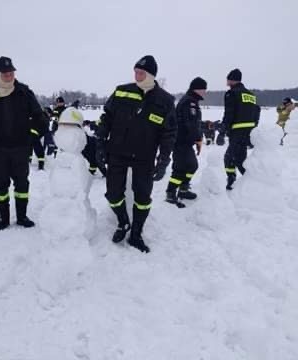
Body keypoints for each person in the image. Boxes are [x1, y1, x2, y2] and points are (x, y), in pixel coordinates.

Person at [96, 55, 177, 253]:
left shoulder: (165, 100)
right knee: (113, 194)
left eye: (141, 73)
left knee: (143, 199)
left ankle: (136, 234)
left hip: (144, 157)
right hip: (117, 152)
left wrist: (164, 160)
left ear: (151, 75)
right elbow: (107, 118)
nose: (137, 75)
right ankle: (123, 222)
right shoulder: (122, 91)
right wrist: (99, 144)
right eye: (135, 71)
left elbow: (169, 134)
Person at [0, 56, 48, 230]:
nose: (8, 75)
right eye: (5, 73)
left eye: (11, 72)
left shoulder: (24, 92)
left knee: (22, 184)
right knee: (0, 184)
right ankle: (3, 219)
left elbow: (40, 117)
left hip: (21, 147)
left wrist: (32, 134)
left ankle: (22, 217)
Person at [216, 69, 260, 190]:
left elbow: (229, 113)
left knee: (229, 158)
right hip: (249, 132)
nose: (226, 81)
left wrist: (222, 131)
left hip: (236, 132)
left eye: (227, 79)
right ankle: (250, 182)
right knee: (240, 159)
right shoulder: (251, 95)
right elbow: (257, 112)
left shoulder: (232, 93)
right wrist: (254, 128)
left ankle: (232, 180)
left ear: (231, 80)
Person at [165, 77, 206, 208]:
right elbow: (191, 124)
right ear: (197, 89)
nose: (205, 92)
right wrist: (198, 139)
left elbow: (194, 124)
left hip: (186, 141)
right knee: (180, 168)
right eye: (203, 89)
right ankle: (170, 193)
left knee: (192, 165)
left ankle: (183, 189)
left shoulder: (191, 100)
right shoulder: (190, 102)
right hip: (180, 141)